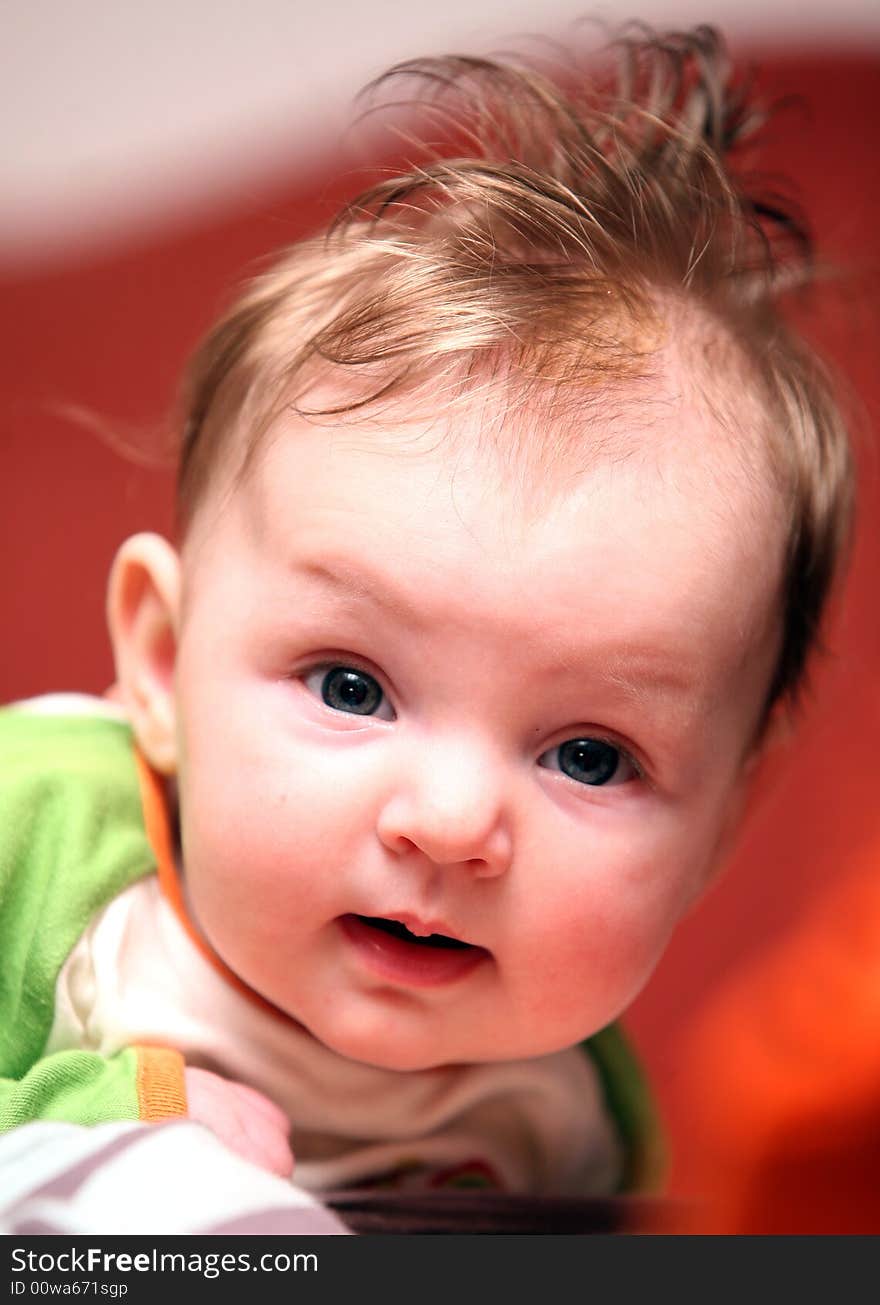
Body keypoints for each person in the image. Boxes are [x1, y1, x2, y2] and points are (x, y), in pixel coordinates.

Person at [0, 24, 854, 1202]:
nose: (451, 823)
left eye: (591, 757)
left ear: (719, 820)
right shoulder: (36, 839)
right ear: (158, 659)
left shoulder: (568, 1111)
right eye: (350, 686)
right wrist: (118, 1109)